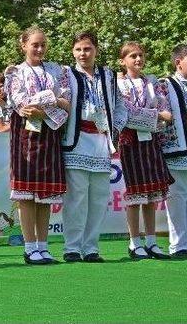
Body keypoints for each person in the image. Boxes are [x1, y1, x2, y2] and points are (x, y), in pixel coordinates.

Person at [5, 25, 70, 265]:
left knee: (45, 195)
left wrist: (47, 105)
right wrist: (51, 99)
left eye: (43, 44)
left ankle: (43, 246)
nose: (40, 49)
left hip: (50, 133)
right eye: (35, 44)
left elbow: (66, 100)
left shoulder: (56, 70)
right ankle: (29, 247)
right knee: (27, 195)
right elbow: (20, 103)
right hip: (25, 135)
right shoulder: (15, 72)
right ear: (23, 45)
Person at [61, 32, 127, 263]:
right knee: (76, 197)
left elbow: (121, 106)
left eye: (87, 49)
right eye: (78, 49)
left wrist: (115, 128)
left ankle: (91, 247)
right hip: (76, 140)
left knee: (99, 198)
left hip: (100, 141)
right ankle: (71, 247)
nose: (83, 54)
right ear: (72, 51)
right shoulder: (66, 74)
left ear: (96, 50)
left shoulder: (108, 75)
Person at [117, 42, 173, 260]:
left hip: (150, 141)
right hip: (130, 142)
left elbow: (166, 112)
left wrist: (151, 115)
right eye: (133, 56)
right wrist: (155, 115)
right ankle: (134, 241)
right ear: (123, 60)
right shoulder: (119, 84)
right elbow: (127, 114)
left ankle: (151, 241)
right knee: (135, 194)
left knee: (151, 195)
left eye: (140, 55)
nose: (138, 59)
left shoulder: (152, 82)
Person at [158, 44, 187, 258]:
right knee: (177, 198)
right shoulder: (165, 85)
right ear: (178, 62)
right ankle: (179, 245)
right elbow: (161, 113)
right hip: (177, 147)